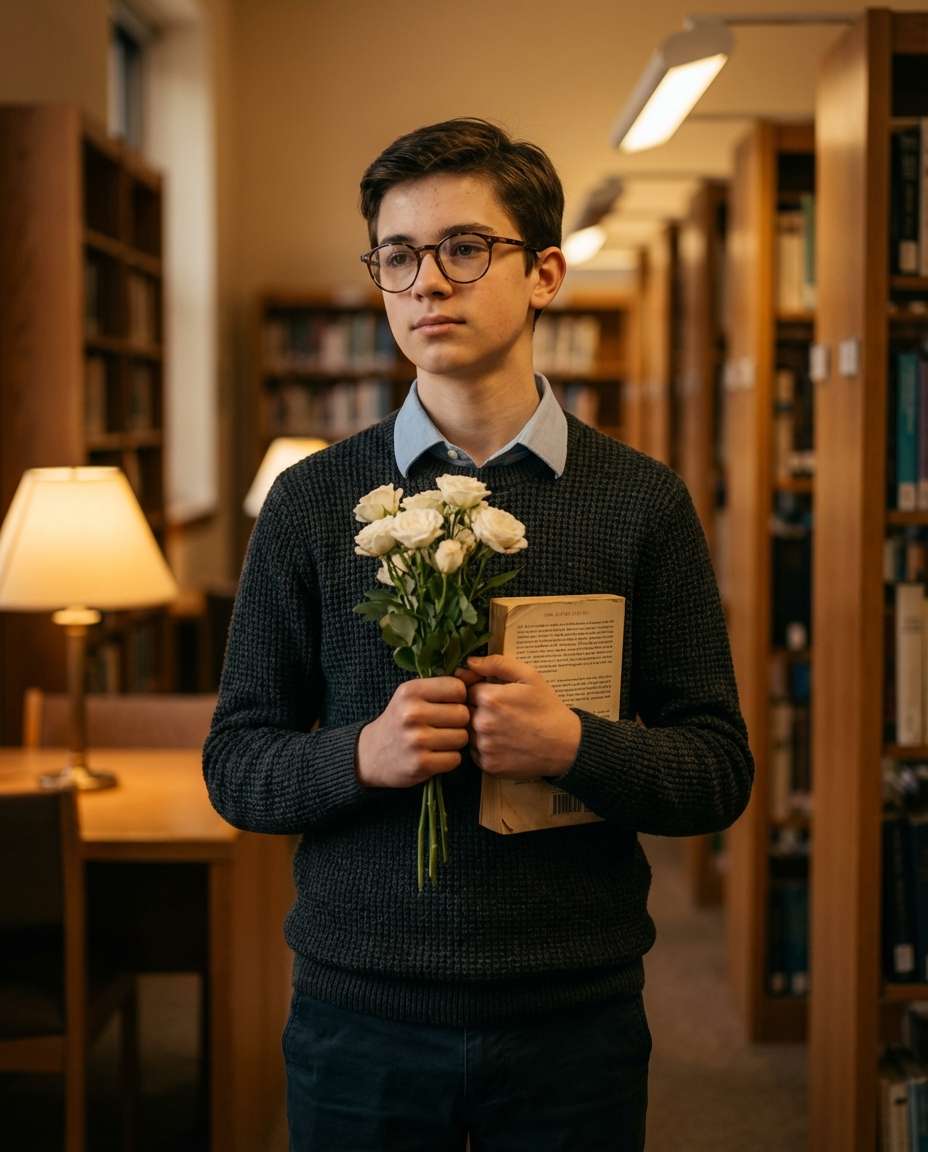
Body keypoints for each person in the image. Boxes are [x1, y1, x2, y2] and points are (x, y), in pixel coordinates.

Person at [202, 117, 754, 1151]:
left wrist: (579, 749)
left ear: (544, 273)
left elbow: (717, 770)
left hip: (571, 1019)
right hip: (357, 1013)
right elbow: (236, 765)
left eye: (463, 249)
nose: (425, 284)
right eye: (397, 256)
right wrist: (358, 757)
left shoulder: (640, 502)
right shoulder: (313, 500)